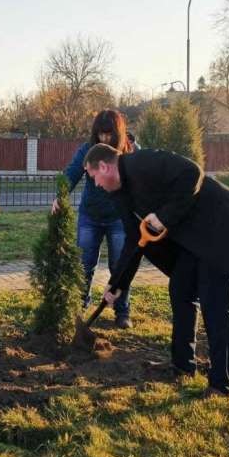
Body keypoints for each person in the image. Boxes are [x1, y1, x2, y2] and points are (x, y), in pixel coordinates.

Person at [83, 143, 229, 397]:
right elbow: (135, 240)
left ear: (104, 166)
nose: (96, 184)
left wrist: (164, 217)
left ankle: (221, 384)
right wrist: (117, 285)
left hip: (220, 227)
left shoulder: (143, 162)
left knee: (215, 304)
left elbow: (193, 173)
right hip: (193, 238)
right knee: (180, 289)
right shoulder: (120, 194)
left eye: (94, 177)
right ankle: (182, 366)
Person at [52, 109, 138, 328]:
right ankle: (80, 307)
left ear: (118, 133)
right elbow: (71, 172)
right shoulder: (88, 150)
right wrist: (60, 196)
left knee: (120, 265)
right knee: (84, 264)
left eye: (109, 134)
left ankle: (122, 311)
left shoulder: (131, 152)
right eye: (100, 134)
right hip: (90, 216)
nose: (104, 139)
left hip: (119, 219)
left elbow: (141, 182)